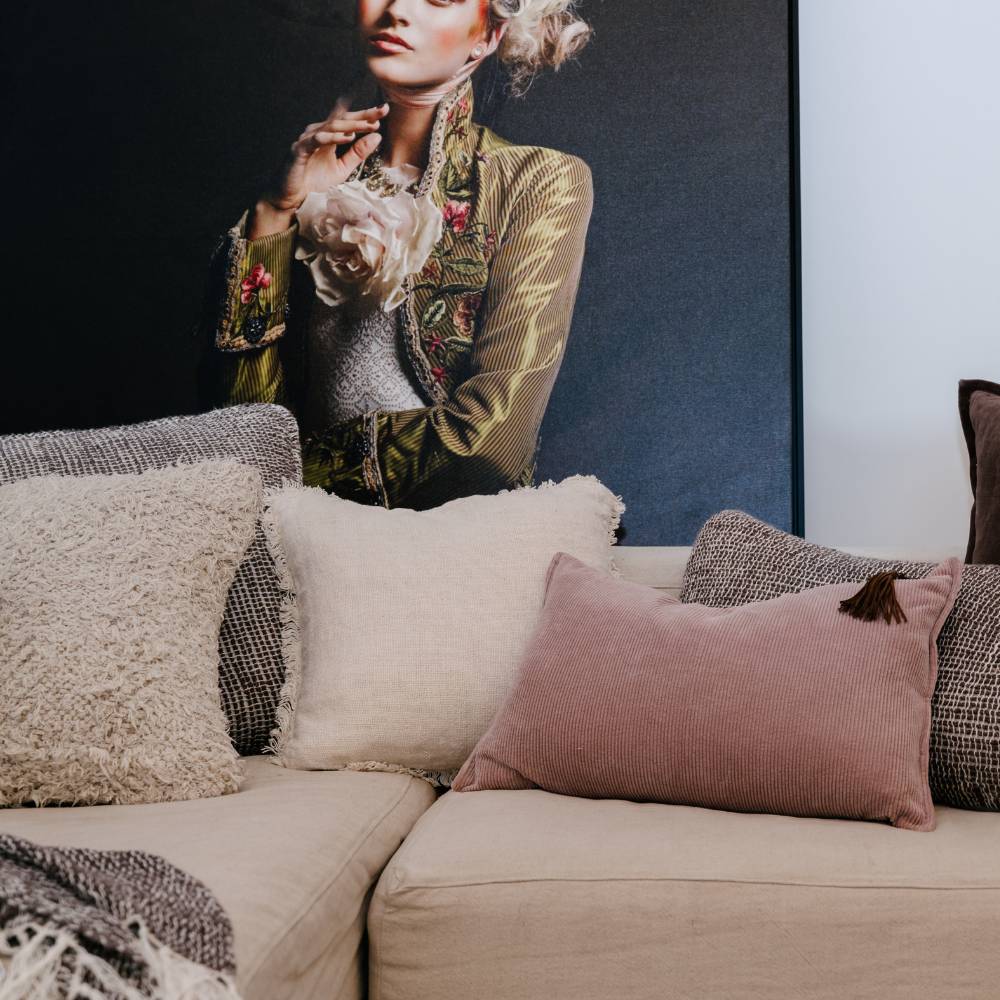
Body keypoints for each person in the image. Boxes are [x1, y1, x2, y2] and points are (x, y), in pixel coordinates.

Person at [198, 0, 594, 510]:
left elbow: (490, 445)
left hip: (453, 538)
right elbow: (239, 424)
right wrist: (275, 212)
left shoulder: (538, 181)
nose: (397, 10)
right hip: (300, 537)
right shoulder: (307, 178)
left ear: (489, 35)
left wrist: (277, 484)